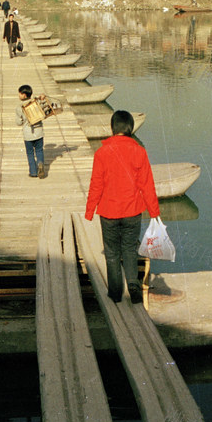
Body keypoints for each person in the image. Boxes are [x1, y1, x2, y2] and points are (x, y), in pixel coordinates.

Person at [84, 110, 160, 303]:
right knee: (129, 249)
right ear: (130, 128)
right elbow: (147, 184)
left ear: (112, 128)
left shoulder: (101, 153)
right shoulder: (139, 151)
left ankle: (116, 293)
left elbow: (96, 184)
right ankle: (133, 286)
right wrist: (154, 212)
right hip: (132, 211)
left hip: (109, 212)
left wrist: (89, 210)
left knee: (111, 252)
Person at [15, 85, 48, 178]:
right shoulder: (36, 102)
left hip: (28, 134)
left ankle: (33, 172)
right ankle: (40, 163)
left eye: (20, 94)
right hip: (39, 132)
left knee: (30, 153)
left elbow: (18, 122)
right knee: (39, 150)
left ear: (24, 95)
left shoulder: (19, 107)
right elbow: (44, 107)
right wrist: (42, 98)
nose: (18, 95)